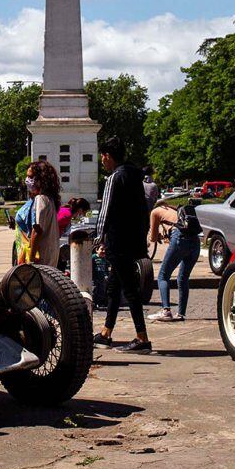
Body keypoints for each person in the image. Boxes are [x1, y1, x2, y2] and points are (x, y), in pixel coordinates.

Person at [92, 137, 151, 353]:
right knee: (113, 288)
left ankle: (142, 338)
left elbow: (105, 212)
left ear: (107, 156)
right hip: (134, 240)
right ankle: (106, 332)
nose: (102, 162)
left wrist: (97, 239)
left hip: (118, 242)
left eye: (102, 157)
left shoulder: (114, 178)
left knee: (129, 289)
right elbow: (144, 210)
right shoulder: (136, 176)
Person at [152, 202, 202, 322]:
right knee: (183, 278)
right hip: (195, 242)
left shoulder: (155, 212)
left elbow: (152, 238)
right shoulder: (177, 211)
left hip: (179, 238)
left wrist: (157, 235)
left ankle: (166, 311)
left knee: (163, 276)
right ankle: (181, 314)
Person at [21, 159, 63, 267]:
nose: (27, 180)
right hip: (50, 254)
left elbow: (37, 229)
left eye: (30, 177)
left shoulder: (41, 199)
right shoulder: (50, 199)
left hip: (41, 257)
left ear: (40, 179)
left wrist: (31, 257)